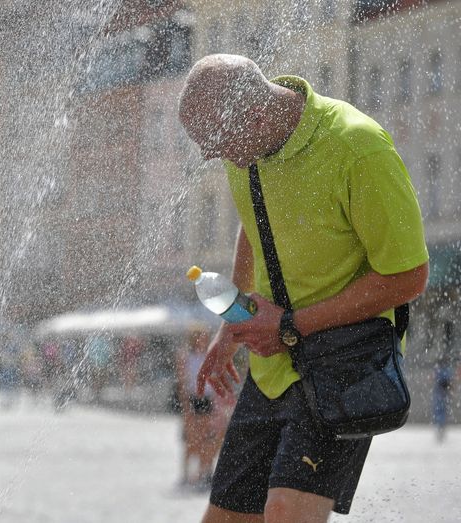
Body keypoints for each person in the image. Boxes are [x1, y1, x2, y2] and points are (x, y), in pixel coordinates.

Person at [178, 54, 429, 522]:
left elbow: (409, 277)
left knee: (285, 514)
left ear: (253, 114)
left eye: (216, 141)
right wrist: (232, 323)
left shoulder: (357, 148)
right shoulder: (249, 149)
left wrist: (291, 326)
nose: (211, 155)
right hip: (273, 370)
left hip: (344, 365)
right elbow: (252, 228)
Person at [174, 330, 233, 490]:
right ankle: (186, 474)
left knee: (206, 438)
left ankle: (201, 473)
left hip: (207, 399)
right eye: (200, 337)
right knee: (192, 438)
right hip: (194, 397)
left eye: (204, 337)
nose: (202, 340)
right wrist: (185, 404)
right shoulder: (187, 357)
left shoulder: (208, 355)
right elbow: (182, 382)